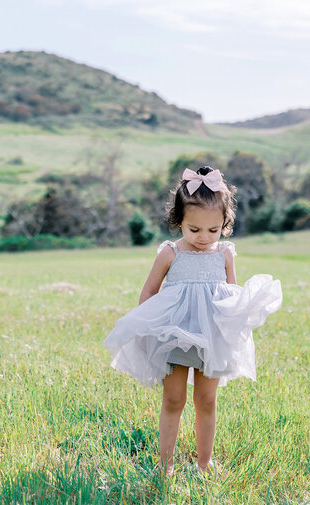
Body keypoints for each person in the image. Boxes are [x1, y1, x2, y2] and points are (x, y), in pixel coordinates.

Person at [103, 166, 283, 476]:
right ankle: (165, 464)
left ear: (224, 224)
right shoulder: (170, 253)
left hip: (211, 335)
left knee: (206, 400)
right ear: (179, 222)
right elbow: (149, 291)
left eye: (212, 230)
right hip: (173, 333)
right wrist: (145, 328)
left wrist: (245, 312)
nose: (203, 238)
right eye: (194, 229)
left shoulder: (225, 254)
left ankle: (204, 462)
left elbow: (231, 296)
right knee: (173, 398)